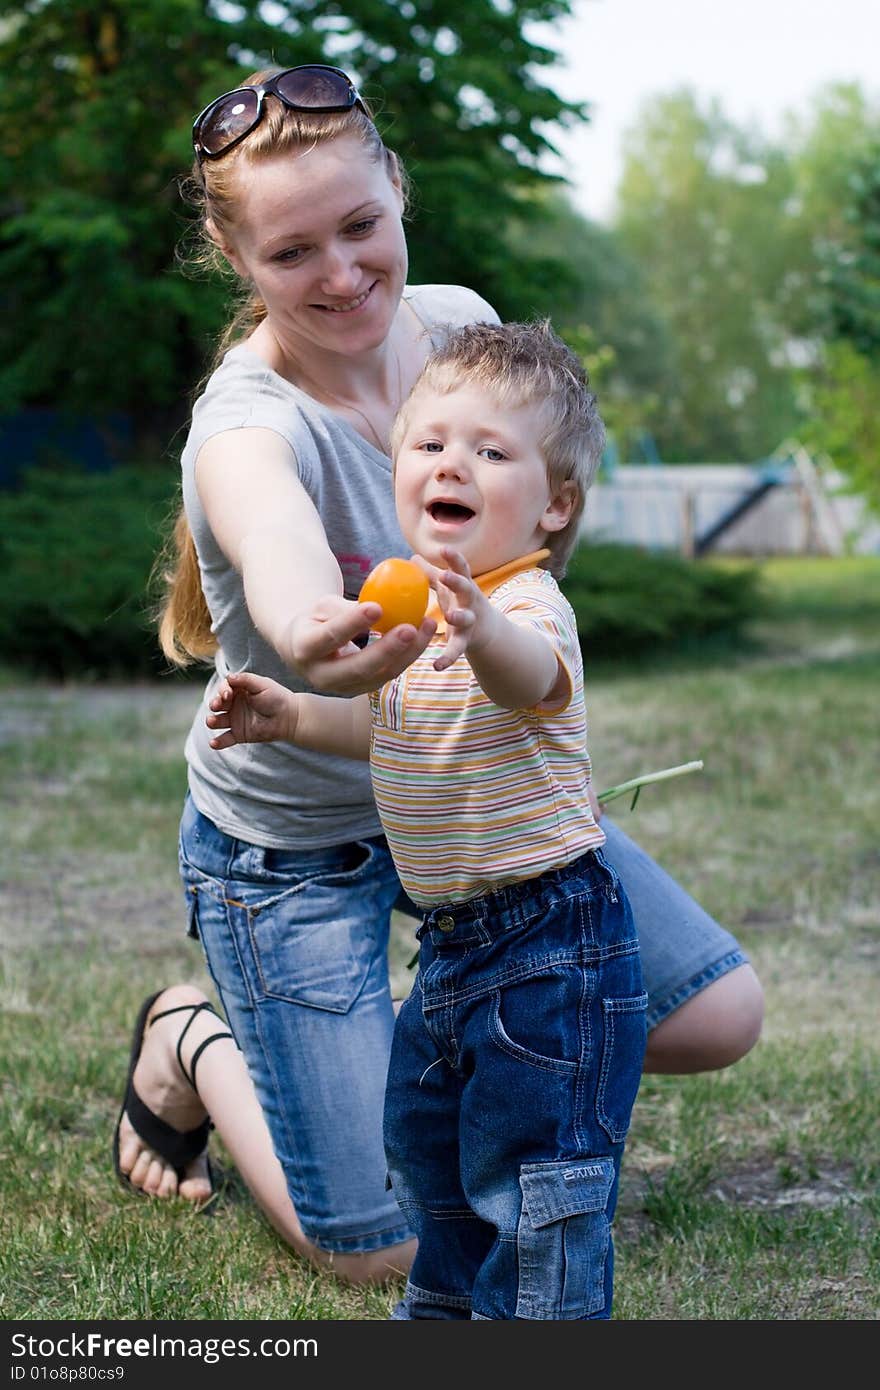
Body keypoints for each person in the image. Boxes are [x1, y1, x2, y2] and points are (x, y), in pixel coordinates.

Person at [112, 63, 763, 1290]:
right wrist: (316, 631)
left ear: (398, 193)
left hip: (473, 800)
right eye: (293, 250)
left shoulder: (462, 330)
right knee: (382, 1247)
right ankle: (192, 1042)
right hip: (295, 841)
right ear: (233, 256)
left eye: (361, 226)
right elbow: (281, 551)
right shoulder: (246, 422)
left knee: (717, 1013)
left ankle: (481, 1064)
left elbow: (542, 515)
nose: (344, 273)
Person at [204, 318, 647, 1320]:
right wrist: (291, 715)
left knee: (537, 1185)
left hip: (550, 945)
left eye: (491, 452)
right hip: (451, 946)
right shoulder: (409, 611)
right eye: (430, 443)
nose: (453, 463)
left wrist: (480, 626)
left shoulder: (525, 605)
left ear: (553, 504)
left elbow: (531, 680)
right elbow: (391, 730)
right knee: (434, 1159)